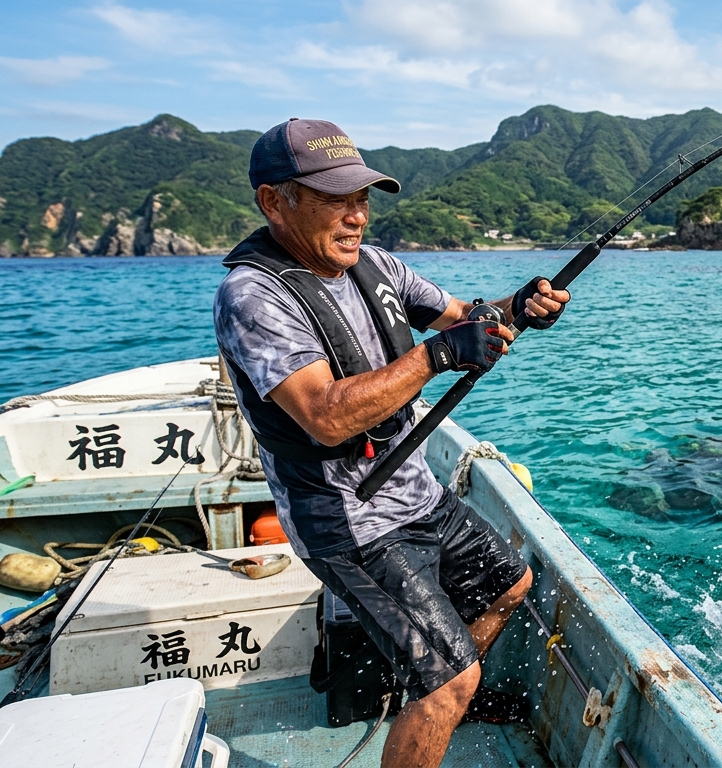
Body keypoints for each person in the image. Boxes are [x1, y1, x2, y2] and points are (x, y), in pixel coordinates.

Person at [213, 118, 569, 768]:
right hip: (347, 519)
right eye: (334, 200)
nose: (355, 217)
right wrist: (437, 356)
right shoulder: (254, 295)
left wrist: (517, 307)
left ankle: (445, 692)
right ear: (274, 202)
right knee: (446, 680)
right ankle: (444, 690)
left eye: (361, 198)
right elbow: (323, 415)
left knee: (510, 585)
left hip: (414, 491)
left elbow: (466, 319)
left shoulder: (374, 265)